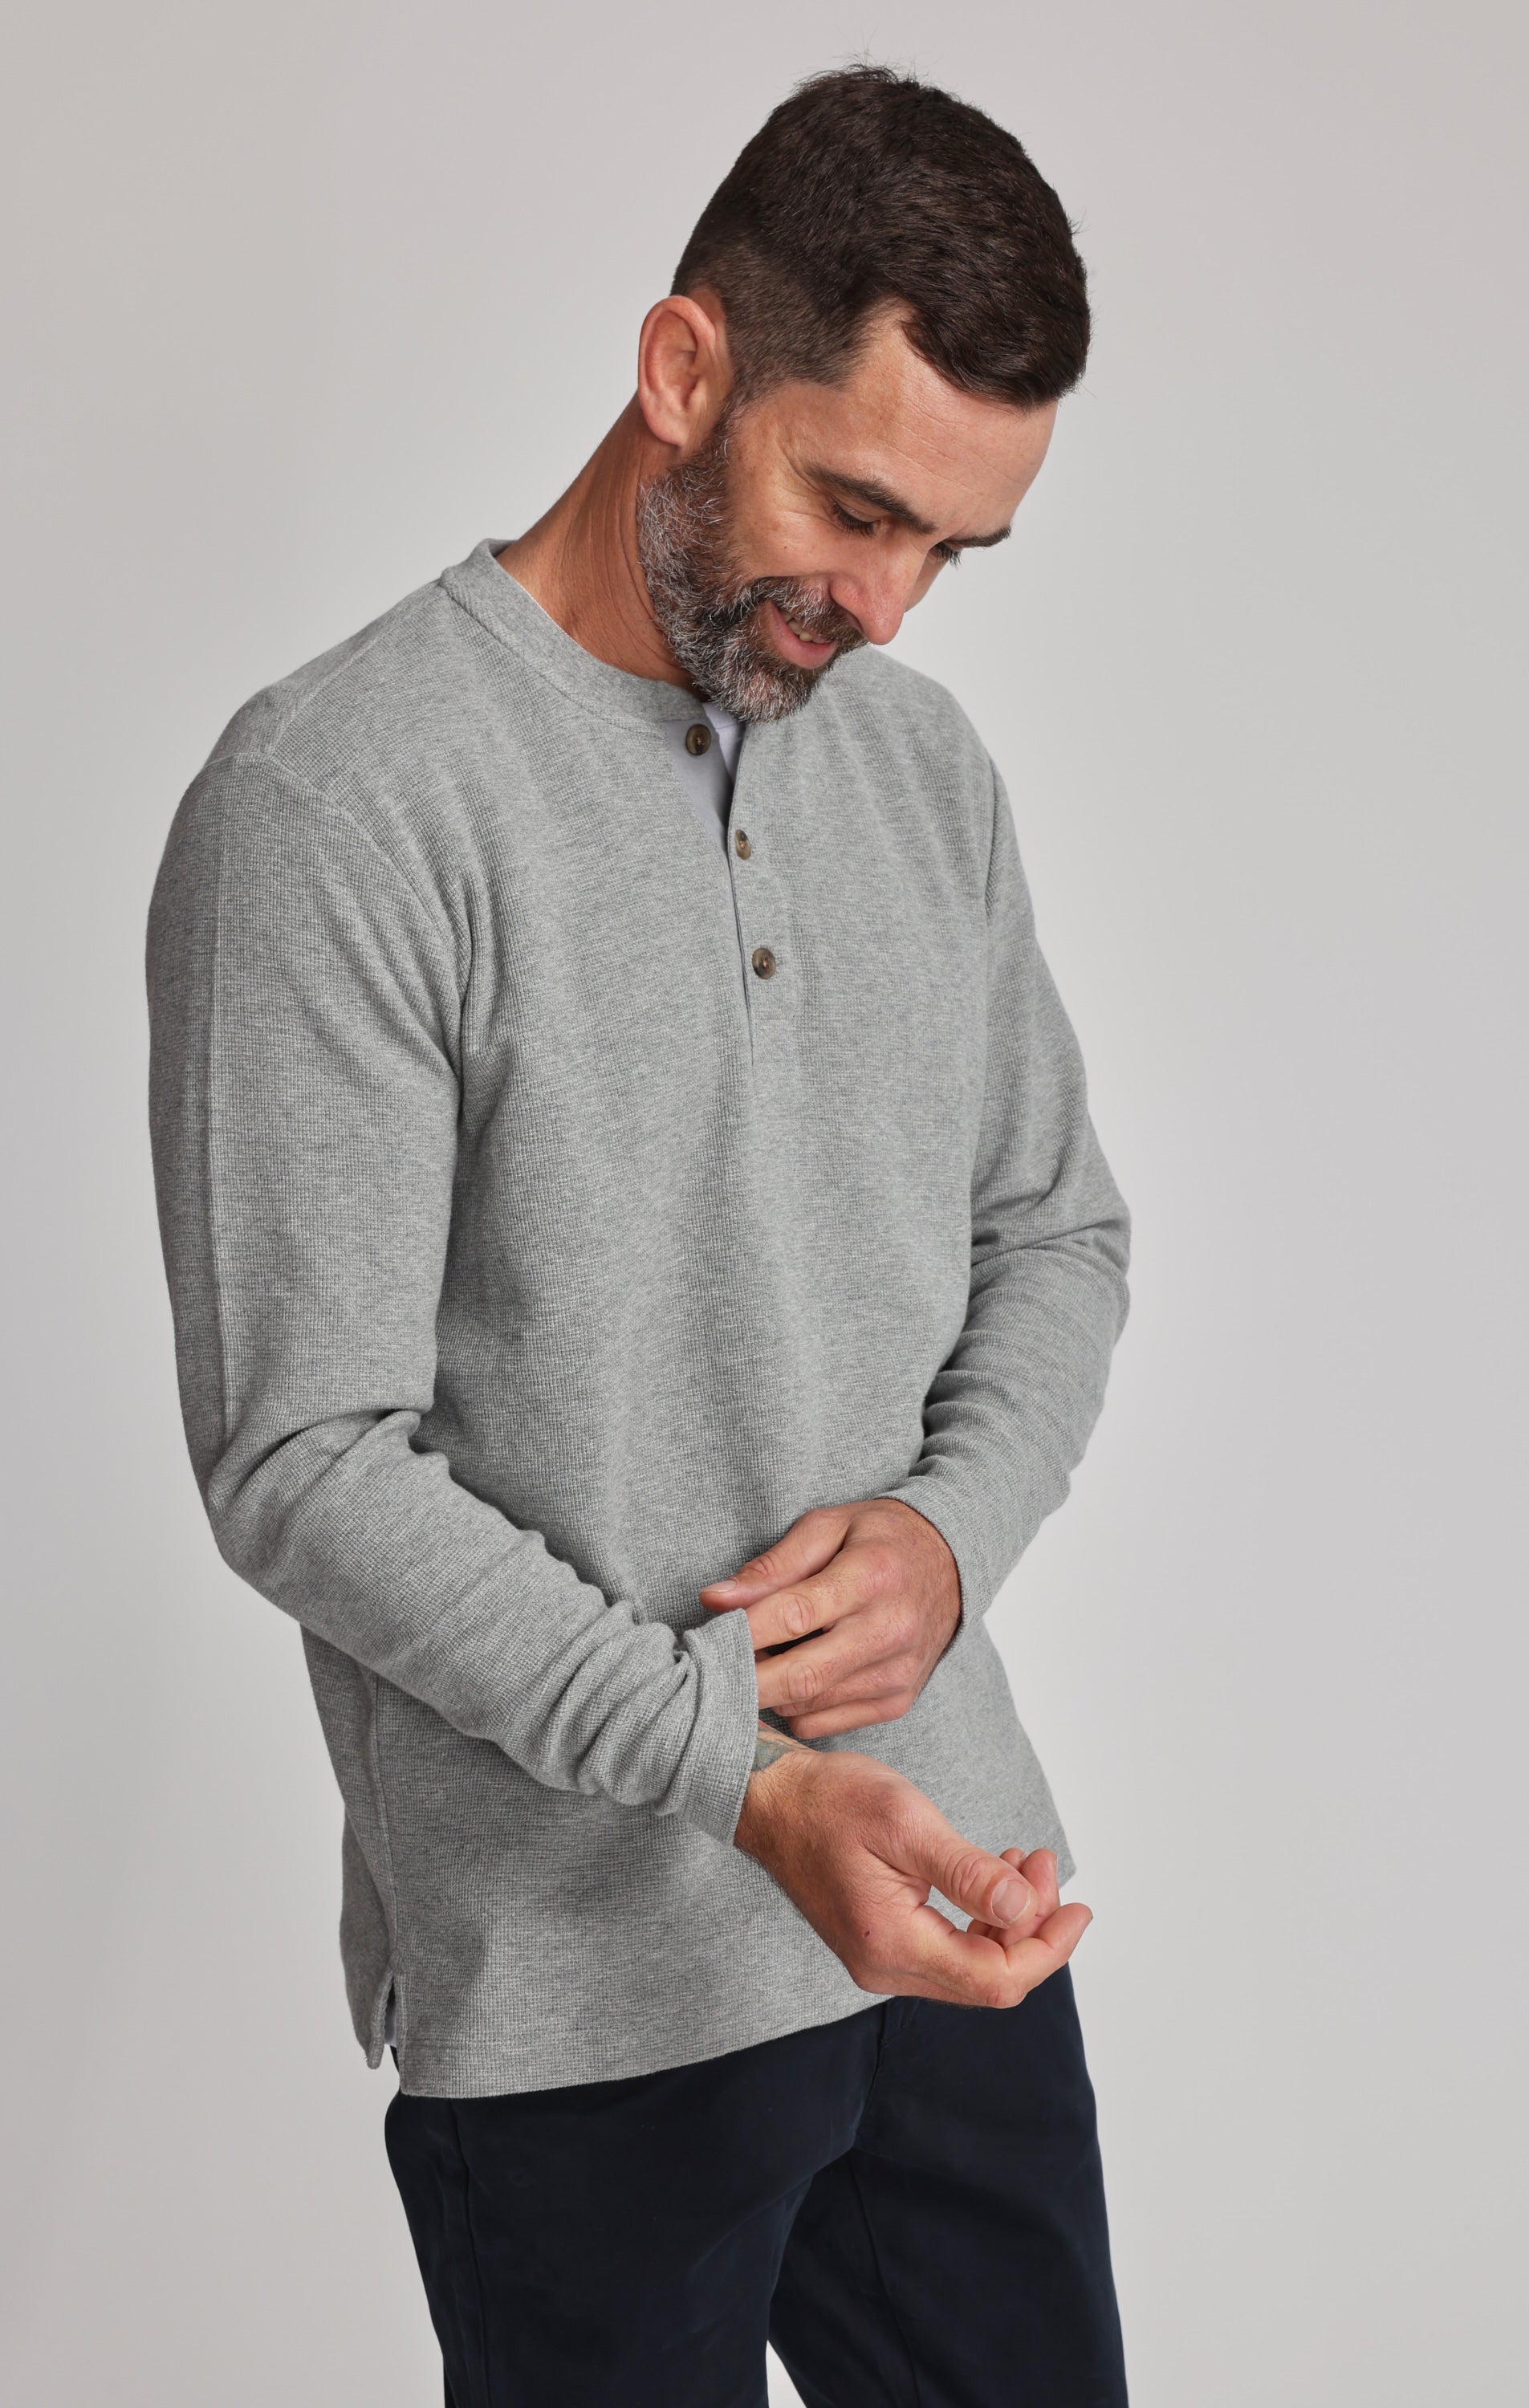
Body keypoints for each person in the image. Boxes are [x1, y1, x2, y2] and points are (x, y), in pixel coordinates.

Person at [147, 61, 1132, 2408]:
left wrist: (948, 1534)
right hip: (582, 1998)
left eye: (948, 552)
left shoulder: (921, 774)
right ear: (684, 368)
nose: (883, 609)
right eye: (855, 509)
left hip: (947, 1896)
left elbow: (1057, 1233)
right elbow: (302, 1459)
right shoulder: (339, 803)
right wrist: (735, 1775)